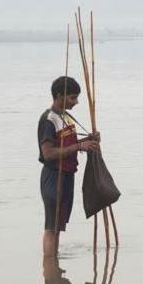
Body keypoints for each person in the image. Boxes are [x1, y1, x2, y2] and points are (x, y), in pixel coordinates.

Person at [38, 75, 99, 263]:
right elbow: (48, 153)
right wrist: (79, 147)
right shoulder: (49, 119)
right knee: (51, 227)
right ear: (59, 95)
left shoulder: (66, 117)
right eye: (72, 97)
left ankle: (54, 271)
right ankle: (49, 264)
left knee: (59, 226)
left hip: (67, 176)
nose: (76, 102)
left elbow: (69, 145)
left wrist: (87, 141)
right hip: (53, 176)